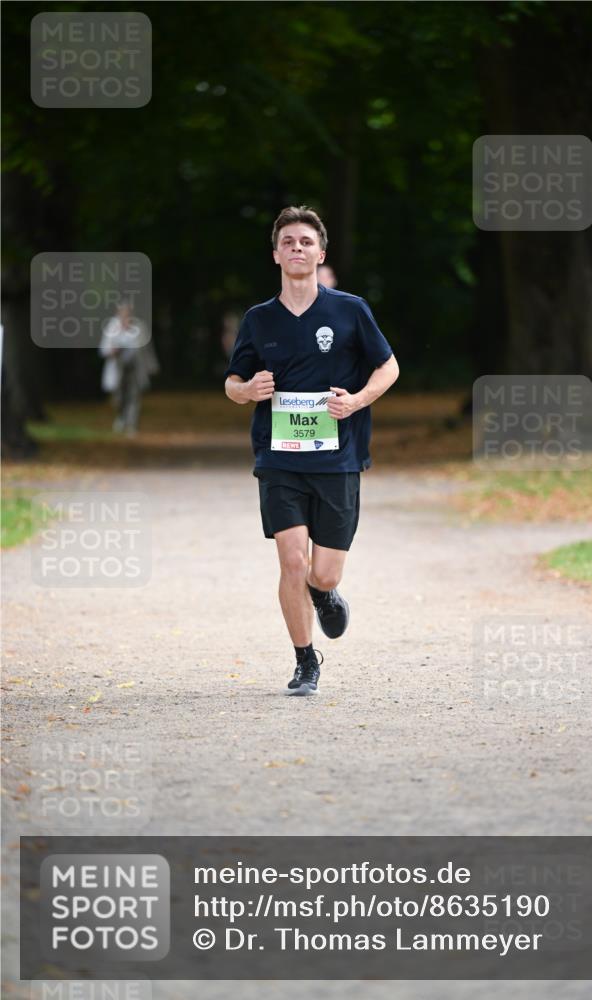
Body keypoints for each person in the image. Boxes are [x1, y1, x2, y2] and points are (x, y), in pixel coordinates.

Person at [224, 205, 399, 696]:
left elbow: (388, 367)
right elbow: (232, 383)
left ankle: (325, 594)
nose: (296, 248)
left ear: (321, 253)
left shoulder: (350, 310)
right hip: (279, 459)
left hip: (338, 459)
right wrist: (248, 390)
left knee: (322, 572)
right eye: (288, 242)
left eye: (306, 242)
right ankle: (305, 661)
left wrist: (357, 400)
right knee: (292, 563)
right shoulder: (259, 320)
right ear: (275, 254)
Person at [99, 301, 159, 435]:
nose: (126, 314)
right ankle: (121, 417)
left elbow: (147, 349)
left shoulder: (140, 327)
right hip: (118, 367)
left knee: (134, 395)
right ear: (118, 313)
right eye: (123, 312)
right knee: (119, 397)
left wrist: (152, 366)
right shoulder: (111, 327)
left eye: (128, 312)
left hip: (135, 368)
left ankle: (132, 424)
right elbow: (103, 349)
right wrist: (111, 351)